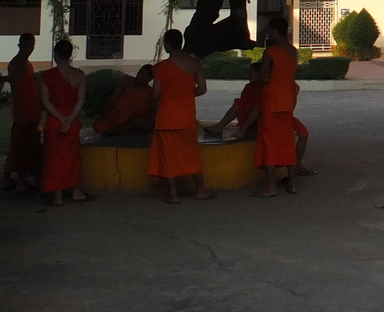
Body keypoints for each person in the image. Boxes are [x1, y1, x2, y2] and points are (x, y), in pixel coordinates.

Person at [149, 28, 212, 203]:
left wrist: (170, 96)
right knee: (191, 153)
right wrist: (185, 94)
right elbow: (203, 89)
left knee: (168, 156)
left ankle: (173, 194)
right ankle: (200, 190)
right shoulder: (194, 64)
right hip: (186, 116)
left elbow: (155, 95)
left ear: (168, 45)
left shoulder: (161, 68)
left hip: (166, 117)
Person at [40, 40, 91, 206]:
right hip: (72, 120)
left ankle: (58, 196)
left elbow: (46, 102)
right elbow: (80, 101)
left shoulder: (47, 76)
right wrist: (69, 120)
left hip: (54, 121)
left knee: (54, 159)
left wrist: (61, 119)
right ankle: (76, 191)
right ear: (70, 55)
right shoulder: (79, 75)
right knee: (73, 158)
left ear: (55, 54)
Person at [254, 17, 299, 197]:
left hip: (272, 101)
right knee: (287, 142)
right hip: (287, 101)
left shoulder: (271, 51)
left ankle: (271, 186)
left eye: (269, 31)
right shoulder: (293, 51)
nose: (268, 35)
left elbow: (262, 74)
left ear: (275, 31)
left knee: (270, 143)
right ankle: (293, 184)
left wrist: (258, 79)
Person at [0, 33, 42, 193]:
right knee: (19, 146)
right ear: (19, 45)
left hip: (32, 109)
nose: (29, 50)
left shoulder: (26, 63)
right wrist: (21, 112)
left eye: (32, 47)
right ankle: (17, 180)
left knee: (28, 145)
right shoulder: (16, 63)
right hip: (23, 111)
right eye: (26, 47)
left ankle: (20, 180)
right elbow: (15, 90)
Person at [205, 62, 264, 139]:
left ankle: (243, 130)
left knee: (257, 107)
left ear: (259, 74)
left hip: (259, 118)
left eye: (251, 72)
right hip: (248, 115)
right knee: (238, 104)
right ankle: (220, 126)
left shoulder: (264, 88)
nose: (249, 75)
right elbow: (244, 103)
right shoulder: (249, 87)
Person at [92, 64, 156, 135]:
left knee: (143, 122)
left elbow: (149, 112)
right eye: (139, 72)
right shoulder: (126, 80)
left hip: (131, 121)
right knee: (98, 126)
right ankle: (122, 131)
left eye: (143, 74)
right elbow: (113, 99)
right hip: (114, 116)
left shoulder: (150, 92)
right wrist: (102, 116)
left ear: (149, 79)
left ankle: (119, 130)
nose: (139, 75)